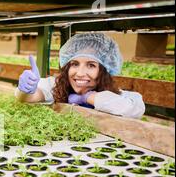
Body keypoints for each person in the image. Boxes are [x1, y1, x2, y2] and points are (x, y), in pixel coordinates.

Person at [15, 33, 145, 119]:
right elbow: (33, 96)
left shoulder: (119, 96)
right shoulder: (56, 85)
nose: (80, 73)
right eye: (75, 64)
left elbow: (135, 109)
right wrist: (26, 91)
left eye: (91, 65)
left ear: (104, 70)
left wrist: (87, 97)